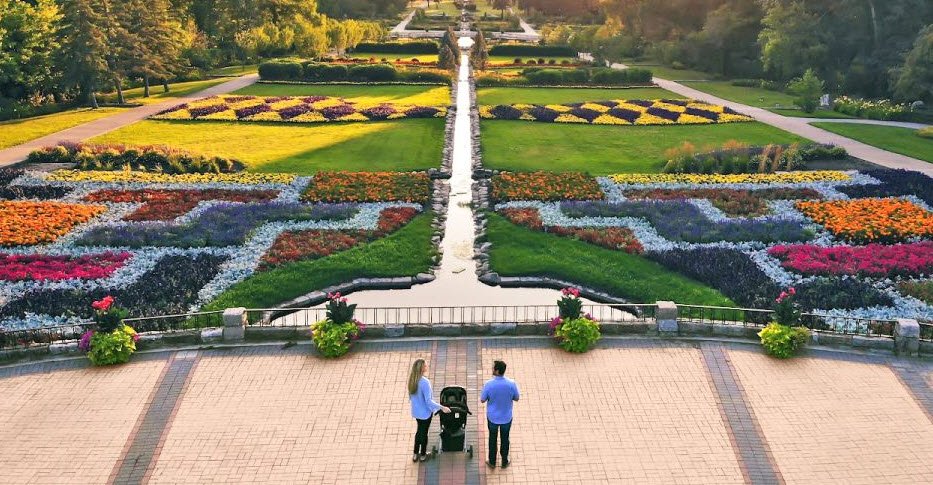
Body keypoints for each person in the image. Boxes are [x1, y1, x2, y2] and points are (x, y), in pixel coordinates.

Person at [408, 358, 450, 462]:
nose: (427, 366)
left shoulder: (412, 380)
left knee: (419, 431)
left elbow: (411, 396)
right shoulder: (425, 382)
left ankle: (415, 453)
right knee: (424, 432)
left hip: (416, 412)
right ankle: (422, 454)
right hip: (425, 413)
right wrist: (442, 407)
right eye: (425, 366)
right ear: (422, 369)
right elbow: (428, 401)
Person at [480, 360, 520, 468]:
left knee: (492, 439)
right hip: (506, 417)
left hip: (492, 417)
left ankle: (492, 462)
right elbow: (516, 398)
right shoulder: (511, 384)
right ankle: (504, 461)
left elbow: (482, 399)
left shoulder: (489, 384)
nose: (492, 369)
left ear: (497, 371)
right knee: (505, 438)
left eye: (493, 368)